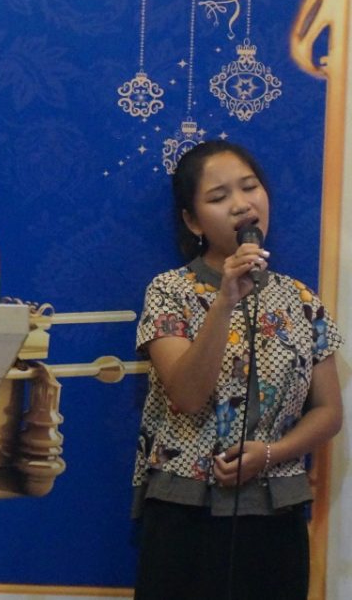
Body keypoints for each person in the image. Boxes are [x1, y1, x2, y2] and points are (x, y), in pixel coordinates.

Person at [132, 140, 343, 600]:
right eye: (218, 196)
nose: (241, 204)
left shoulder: (303, 301)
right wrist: (225, 299)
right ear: (193, 221)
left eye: (250, 187)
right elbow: (187, 395)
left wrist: (269, 453)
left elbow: (329, 412)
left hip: (276, 511)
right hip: (185, 509)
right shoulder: (169, 291)